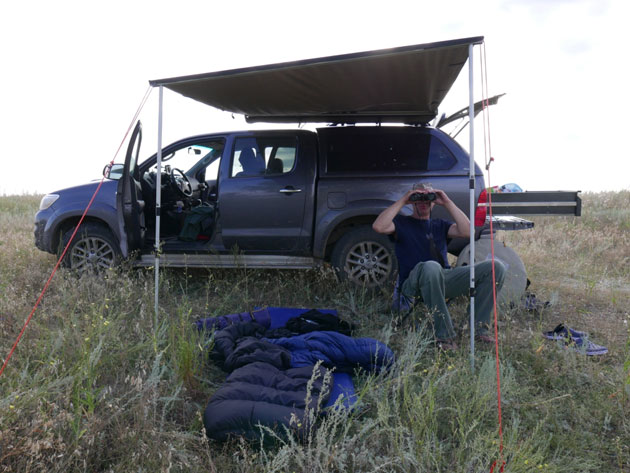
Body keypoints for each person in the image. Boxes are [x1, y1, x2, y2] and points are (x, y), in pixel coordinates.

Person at [372, 183, 505, 350]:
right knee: (430, 266)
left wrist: (447, 202)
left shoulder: (440, 225)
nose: (423, 201)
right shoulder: (401, 223)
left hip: (443, 277)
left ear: (434, 201)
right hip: (414, 283)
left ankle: (478, 329)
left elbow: (468, 231)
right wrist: (403, 200)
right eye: (418, 198)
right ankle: (444, 336)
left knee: (495, 267)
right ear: (412, 201)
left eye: (428, 198)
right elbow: (378, 226)